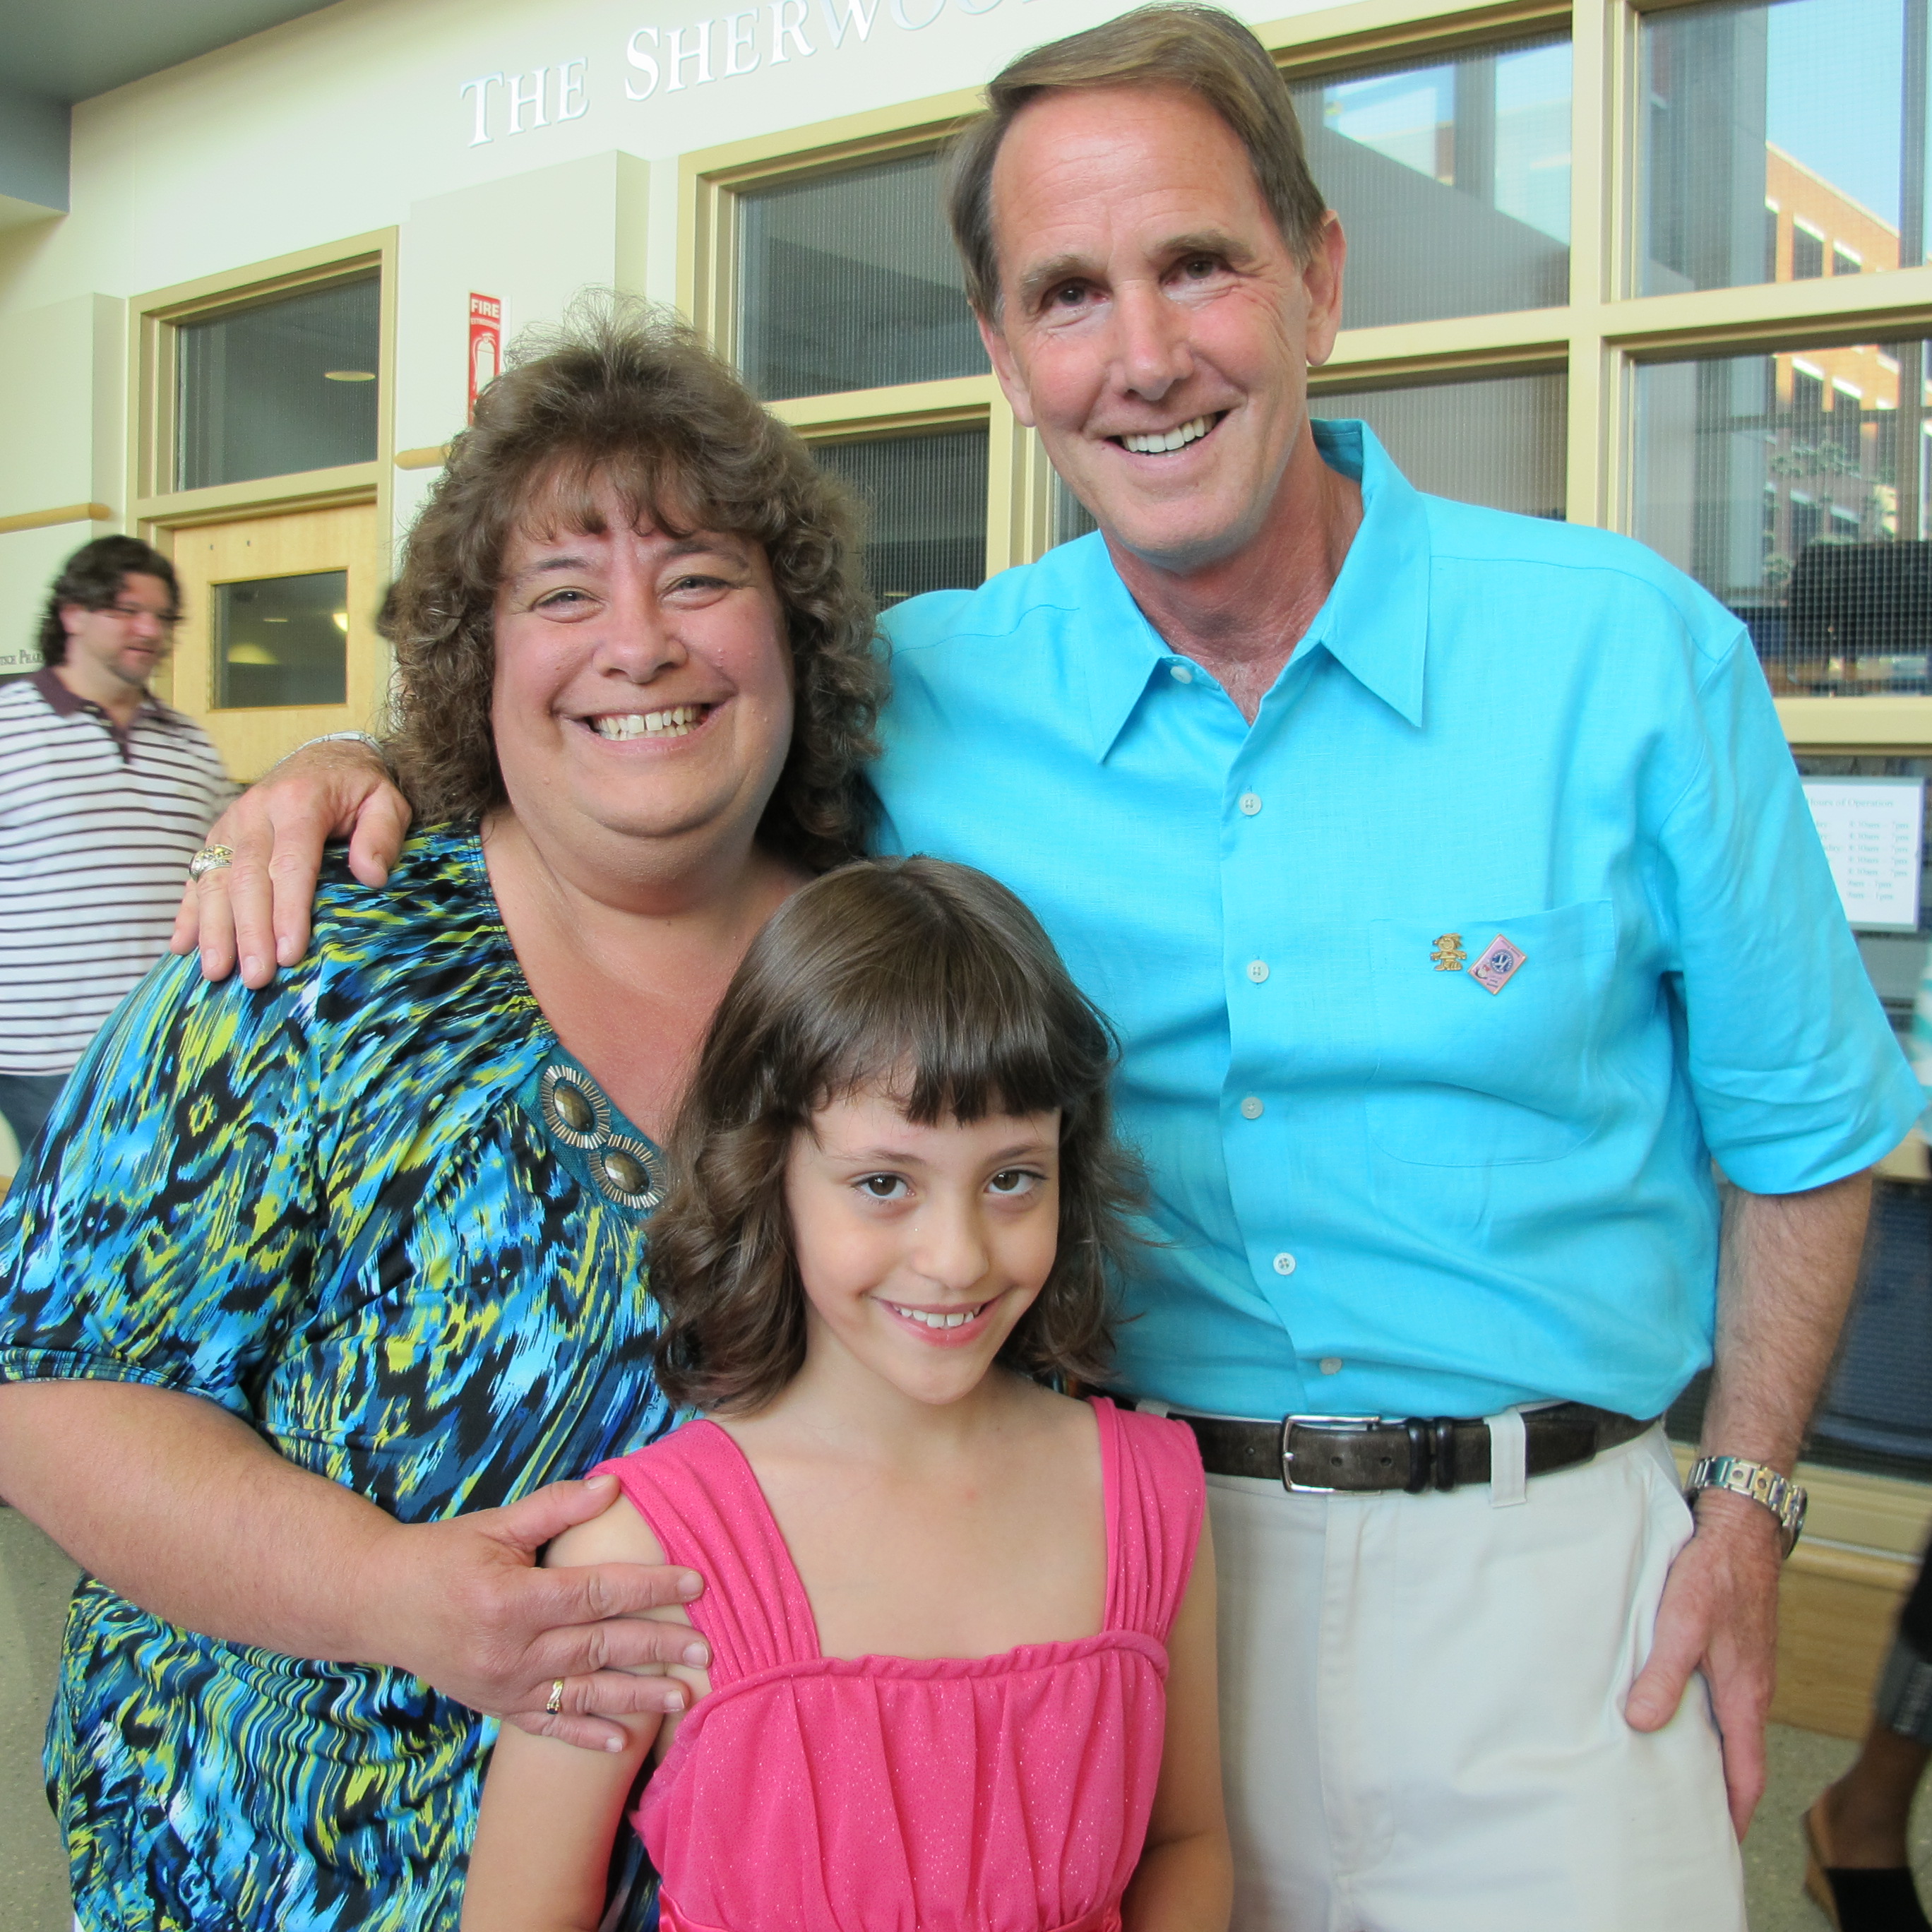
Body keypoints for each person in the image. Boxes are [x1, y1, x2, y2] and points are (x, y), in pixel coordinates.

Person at [172, 7, 1926, 1927]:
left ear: (1318, 276)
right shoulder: (928, 700)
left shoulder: (1632, 660)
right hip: (1106, 1581)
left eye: (1201, 267)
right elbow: (645, 720)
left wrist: (1750, 1509)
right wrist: (367, 774)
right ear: (1008, 355)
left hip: (1558, 1601)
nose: (1146, 356)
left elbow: (1804, 1129)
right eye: (1070, 295)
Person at [0, 309, 887, 1930]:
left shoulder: (891, 972)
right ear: (481, 660)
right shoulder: (302, 964)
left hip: (768, 1865)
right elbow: (52, 1390)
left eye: (698, 576)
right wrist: (392, 1593)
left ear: (794, 626)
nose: (638, 641)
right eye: (562, 592)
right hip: (304, 1852)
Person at [463, 856, 1230, 1932]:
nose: (956, 1258)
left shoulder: (1152, 1496)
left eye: (1013, 1177)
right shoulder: (636, 1554)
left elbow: (1185, 1843)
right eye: (884, 1184)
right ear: (766, 1173)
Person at [0, 536, 229, 1165]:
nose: (149, 630)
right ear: (73, 614)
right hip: (42, 1050)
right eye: (128, 611)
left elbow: (214, 856)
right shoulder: (9, 725)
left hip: (167, 1037)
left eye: (162, 617)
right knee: (60, 1229)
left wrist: (217, 871)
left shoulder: (189, 744)